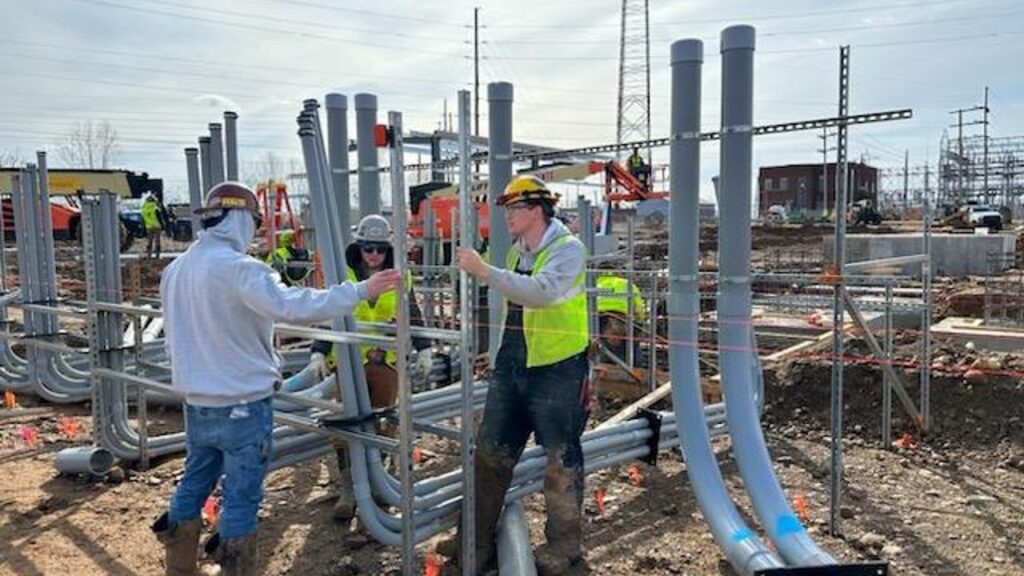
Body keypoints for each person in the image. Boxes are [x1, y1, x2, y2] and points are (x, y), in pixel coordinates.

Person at [151, 182, 402, 576]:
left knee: (194, 482)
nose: (252, 231)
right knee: (241, 497)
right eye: (252, 222)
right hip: (242, 404)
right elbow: (294, 306)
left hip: (196, 404)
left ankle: (179, 567)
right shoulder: (240, 269)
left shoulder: (176, 270)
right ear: (238, 220)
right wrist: (359, 291)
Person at [440, 175, 590, 575]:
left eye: (513, 209)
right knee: (489, 455)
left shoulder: (568, 250)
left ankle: (563, 547)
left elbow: (540, 292)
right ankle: (475, 542)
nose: (506, 216)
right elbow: (511, 308)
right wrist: (495, 356)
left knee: (560, 459)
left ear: (536, 210)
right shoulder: (515, 253)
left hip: (557, 371)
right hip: (512, 366)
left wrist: (484, 271)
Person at [312, 214, 432, 522]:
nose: (374, 255)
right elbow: (329, 313)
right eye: (368, 248)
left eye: (379, 248)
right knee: (345, 424)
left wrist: (425, 348)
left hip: (385, 363)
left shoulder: (398, 277)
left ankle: (379, 483)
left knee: (382, 423)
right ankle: (349, 489)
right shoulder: (345, 276)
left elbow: (412, 313)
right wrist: (317, 353)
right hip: (348, 363)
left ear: (387, 249)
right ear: (359, 247)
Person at [142, 192, 164, 259]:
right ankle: (157, 255)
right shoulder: (155, 207)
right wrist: (163, 226)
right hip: (157, 226)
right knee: (157, 241)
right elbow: (159, 218)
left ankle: (149, 255)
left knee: (149, 241)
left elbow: (143, 219)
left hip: (148, 227)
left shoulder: (144, 208)